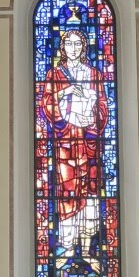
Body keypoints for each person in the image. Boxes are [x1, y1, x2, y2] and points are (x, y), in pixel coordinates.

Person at [40, 28, 108, 261]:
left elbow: (103, 106)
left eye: (78, 44)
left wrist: (92, 120)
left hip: (89, 142)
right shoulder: (55, 74)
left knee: (90, 191)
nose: (73, 48)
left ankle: (88, 248)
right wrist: (66, 92)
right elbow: (47, 104)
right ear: (63, 47)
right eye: (69, 44)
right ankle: (68, 248)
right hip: (65, 144)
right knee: (67, 193)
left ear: (84, 47)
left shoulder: (94, 74)